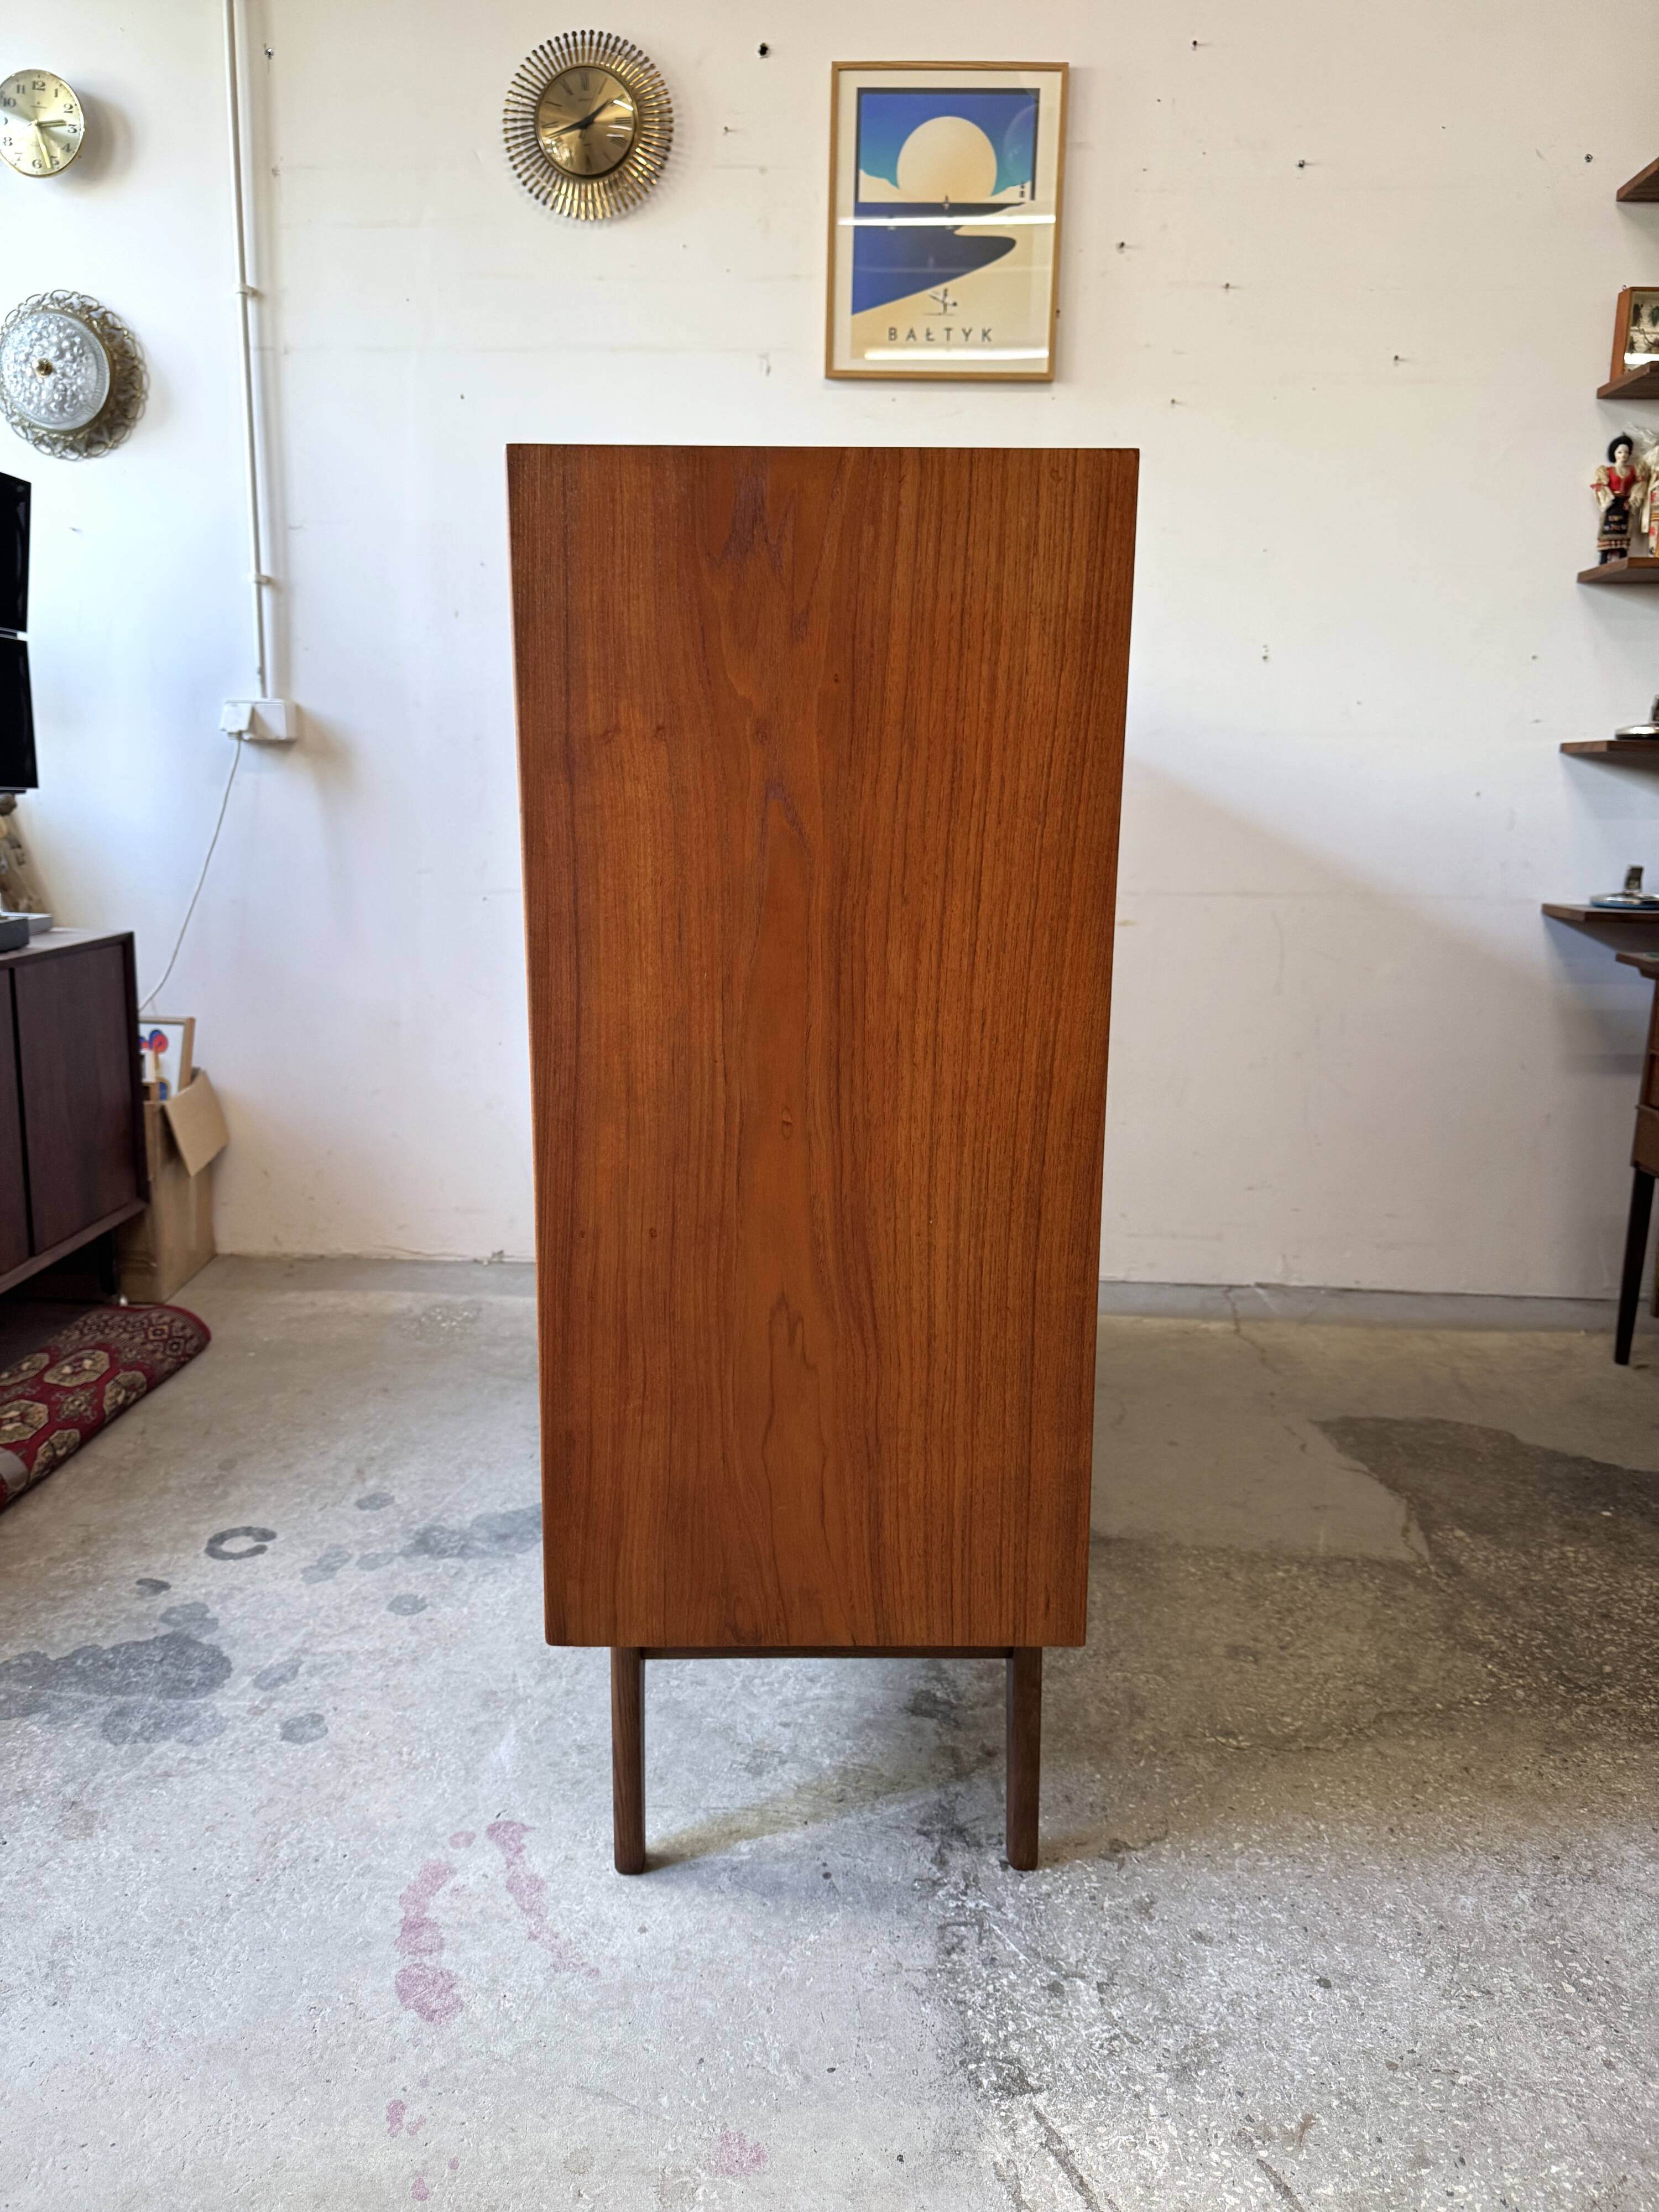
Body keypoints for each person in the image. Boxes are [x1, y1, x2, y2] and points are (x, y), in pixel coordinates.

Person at [1594, 432, 1642, 564]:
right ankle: (1604, 555)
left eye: (1626, 452)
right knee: (1608, 527)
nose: (1623, 455)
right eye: (1620, 452)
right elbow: (1601, 486)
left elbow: (1639, 485)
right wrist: (1606, 499)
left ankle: (1622, 553)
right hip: (1612, 502)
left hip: (1625, 503)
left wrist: (1633, 499)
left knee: (1624, 527)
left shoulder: (1633, 471)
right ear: (1614, 453)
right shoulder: (1607, 471)